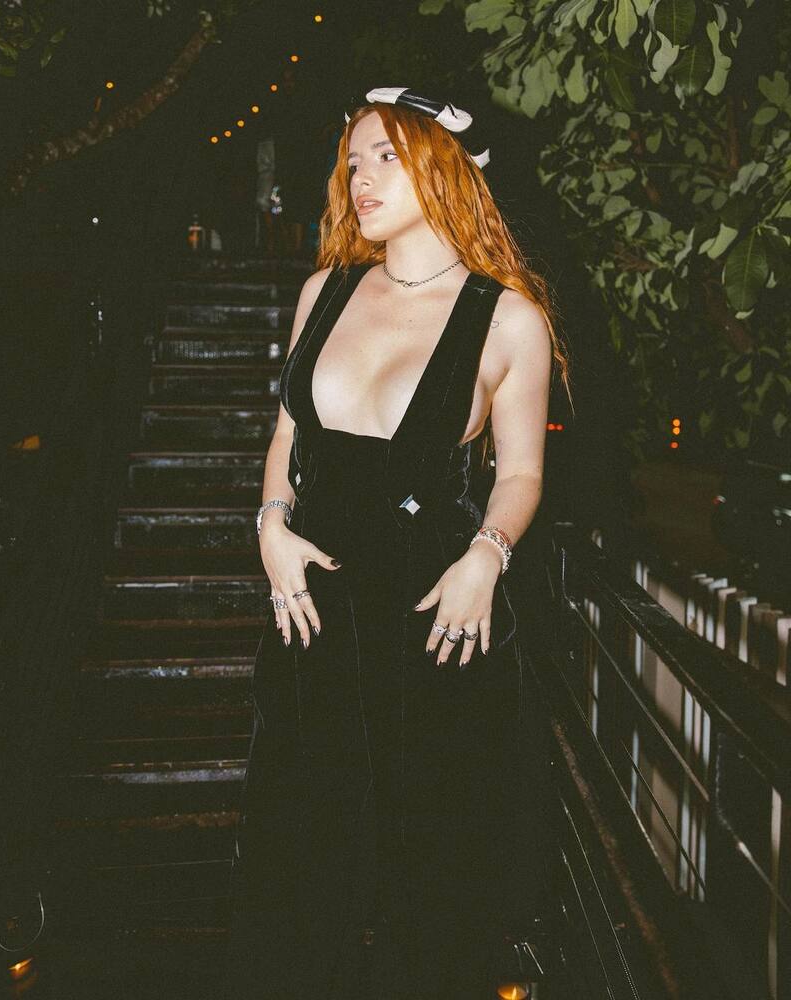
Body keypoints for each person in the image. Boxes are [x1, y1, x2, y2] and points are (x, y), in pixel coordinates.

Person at [226, 86, 571, 999]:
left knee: (435, 871)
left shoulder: (508, 318)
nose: (361, 178)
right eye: (353, 162)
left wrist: (487, 556)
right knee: (300, 858)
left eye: (385, 156)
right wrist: (270, 525)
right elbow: (288, 437)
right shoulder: (325, 291)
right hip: (312, 614)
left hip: (433, 612)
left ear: (444, 164)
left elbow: (522, 474)